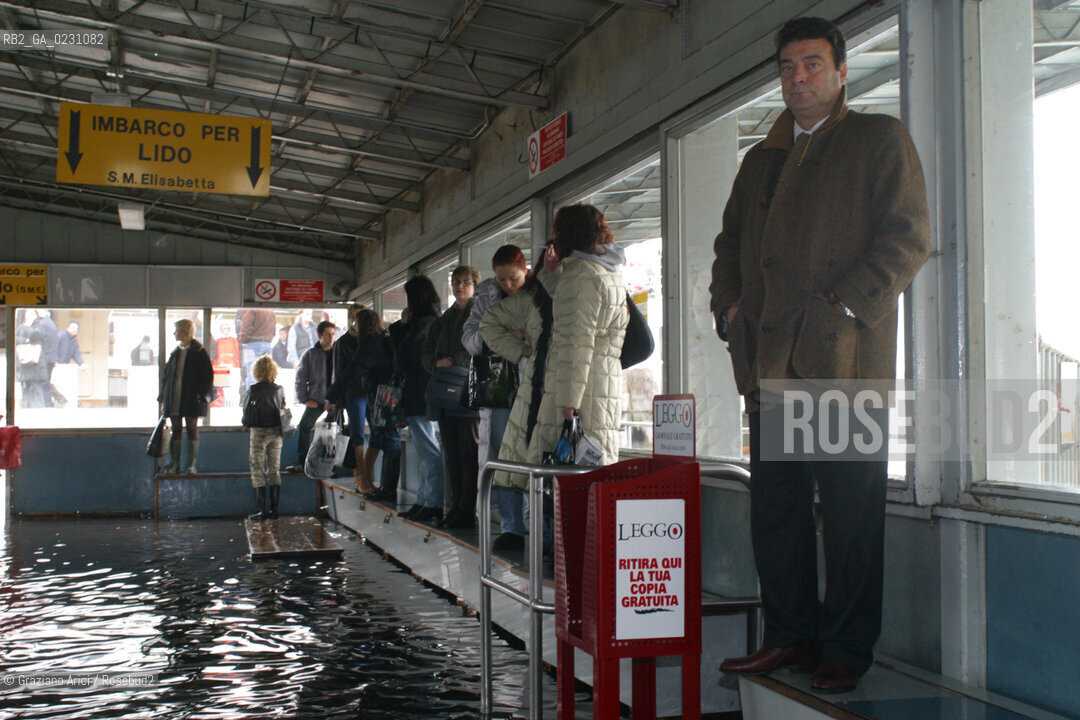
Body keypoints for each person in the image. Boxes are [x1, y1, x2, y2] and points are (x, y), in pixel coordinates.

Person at [710, 17, 931, 693]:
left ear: (840, 71)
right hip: (770, 368)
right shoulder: (761, 160)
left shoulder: (877, 140)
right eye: (787, 67)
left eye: (812, 64)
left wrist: (844, 305)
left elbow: (908, 237)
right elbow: (727, 248)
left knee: (849, 514)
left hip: (845, 367)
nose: (797, 78)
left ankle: (846, 647)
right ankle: (790, 637)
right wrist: (728, 308)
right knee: (774, 512)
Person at [526, 204, 628, 473]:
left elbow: (576, 342)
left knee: (567, 476)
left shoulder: (581, 276)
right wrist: (554, 276)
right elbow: (581, 316)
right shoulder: (608, 272)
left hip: (580, 392)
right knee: (596, 470)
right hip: (601, 383)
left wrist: (569, 401)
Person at [476, 245, 552, 550]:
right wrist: (518, 346)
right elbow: (476, 334)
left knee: (535, 455)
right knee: (505, 454)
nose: (508, 285)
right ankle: (512, 526)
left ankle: (542, 530)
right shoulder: (490, 300)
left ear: (526, 270)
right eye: (502, 280)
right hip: (504, 391)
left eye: (513, 278)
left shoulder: (542, 293)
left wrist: (524, 342)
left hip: (537, 388)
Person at [423, 265, 481, 529]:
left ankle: (466, 511)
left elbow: (480, 348)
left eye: (466, 282)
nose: (460, 286)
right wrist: (436, 362)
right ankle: (455, 507)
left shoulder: (479, 315)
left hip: (467, 397)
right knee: (452, 455)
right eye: (456, 281)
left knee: (469, 455)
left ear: (475, 286)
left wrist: (454, 361)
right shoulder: (443, 320)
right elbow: (425, 353)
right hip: (444, 399)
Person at [327, 309, 394, 495]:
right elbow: (340, 372)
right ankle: (361, 479)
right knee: (357, 433)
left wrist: (332, 396)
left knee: (376, 433)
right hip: (355, 392)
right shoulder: (345, 342)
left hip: (370, 392)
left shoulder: (374, 340)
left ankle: (365, 475)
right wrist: (337, 398)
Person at [395, 275, 444, 523]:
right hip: (423, 392)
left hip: (419, 392)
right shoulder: (431, 321)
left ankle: (432, 502)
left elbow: (404, 355)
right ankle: (425, 500)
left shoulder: (423, 324)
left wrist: (403, 327)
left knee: (428, 451)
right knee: (426, 450)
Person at [158, 318, 215, 474]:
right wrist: (163, 397)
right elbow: (167, 377)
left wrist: (201, 395)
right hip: (174, 397)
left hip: (191, 398)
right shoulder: (176, 353)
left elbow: (207, 377)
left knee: (191, 427)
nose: (174, 333)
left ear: (185, 332)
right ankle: (175, 465)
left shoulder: (199, 352)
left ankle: (192, 465)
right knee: (176, 429)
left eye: (177, 330)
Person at [287, 320, 336, 473]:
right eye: (327, 334)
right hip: (317, 399)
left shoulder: (338, 353)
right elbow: (300, 379)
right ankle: (302, 462)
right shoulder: (310, 354)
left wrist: (338, 400)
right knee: (304, 427)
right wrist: (305, 399)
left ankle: (328, 465)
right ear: (319, 335)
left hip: (334, 401)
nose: (330, 337)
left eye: (332, 334)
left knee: (332, 432)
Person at [243, 355, 287, 520]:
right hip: (276, 431)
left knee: (257, 468)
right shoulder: (279, 389)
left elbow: (246, 411)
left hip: (258, 432)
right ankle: (275, 510)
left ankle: (261, 510)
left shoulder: (253, 390)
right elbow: (283, 407)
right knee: (274, 469)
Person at [15, 309, 49, 408]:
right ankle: (25, 407)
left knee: (37, 388)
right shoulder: (21, 327)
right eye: (28, 313)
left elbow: (35, 335)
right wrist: (25, 340)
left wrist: (26, 327)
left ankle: (38, 409)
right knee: (25, 388)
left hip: (36, 365)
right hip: (24, 363)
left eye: (32, 313)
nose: (29, 315)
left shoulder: (41, 326)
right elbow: (15, 338)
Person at [239, 308, 276, 392]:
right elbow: (274, 329)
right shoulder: (271, 311)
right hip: (267, 343)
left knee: (252, 374)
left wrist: (243, 339)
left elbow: (246, 326)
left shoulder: (251, 310)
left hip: (252, 344)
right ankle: (267, 397)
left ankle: (254, 399)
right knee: (268, 373)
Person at [34, 309, 59, 407]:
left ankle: (46, 403)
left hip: (45, 357)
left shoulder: (42, 325)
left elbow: (34, 336)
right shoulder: (51, 323)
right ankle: (48, 402)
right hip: (51, 357)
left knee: (43, 381)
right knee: (47, 380)